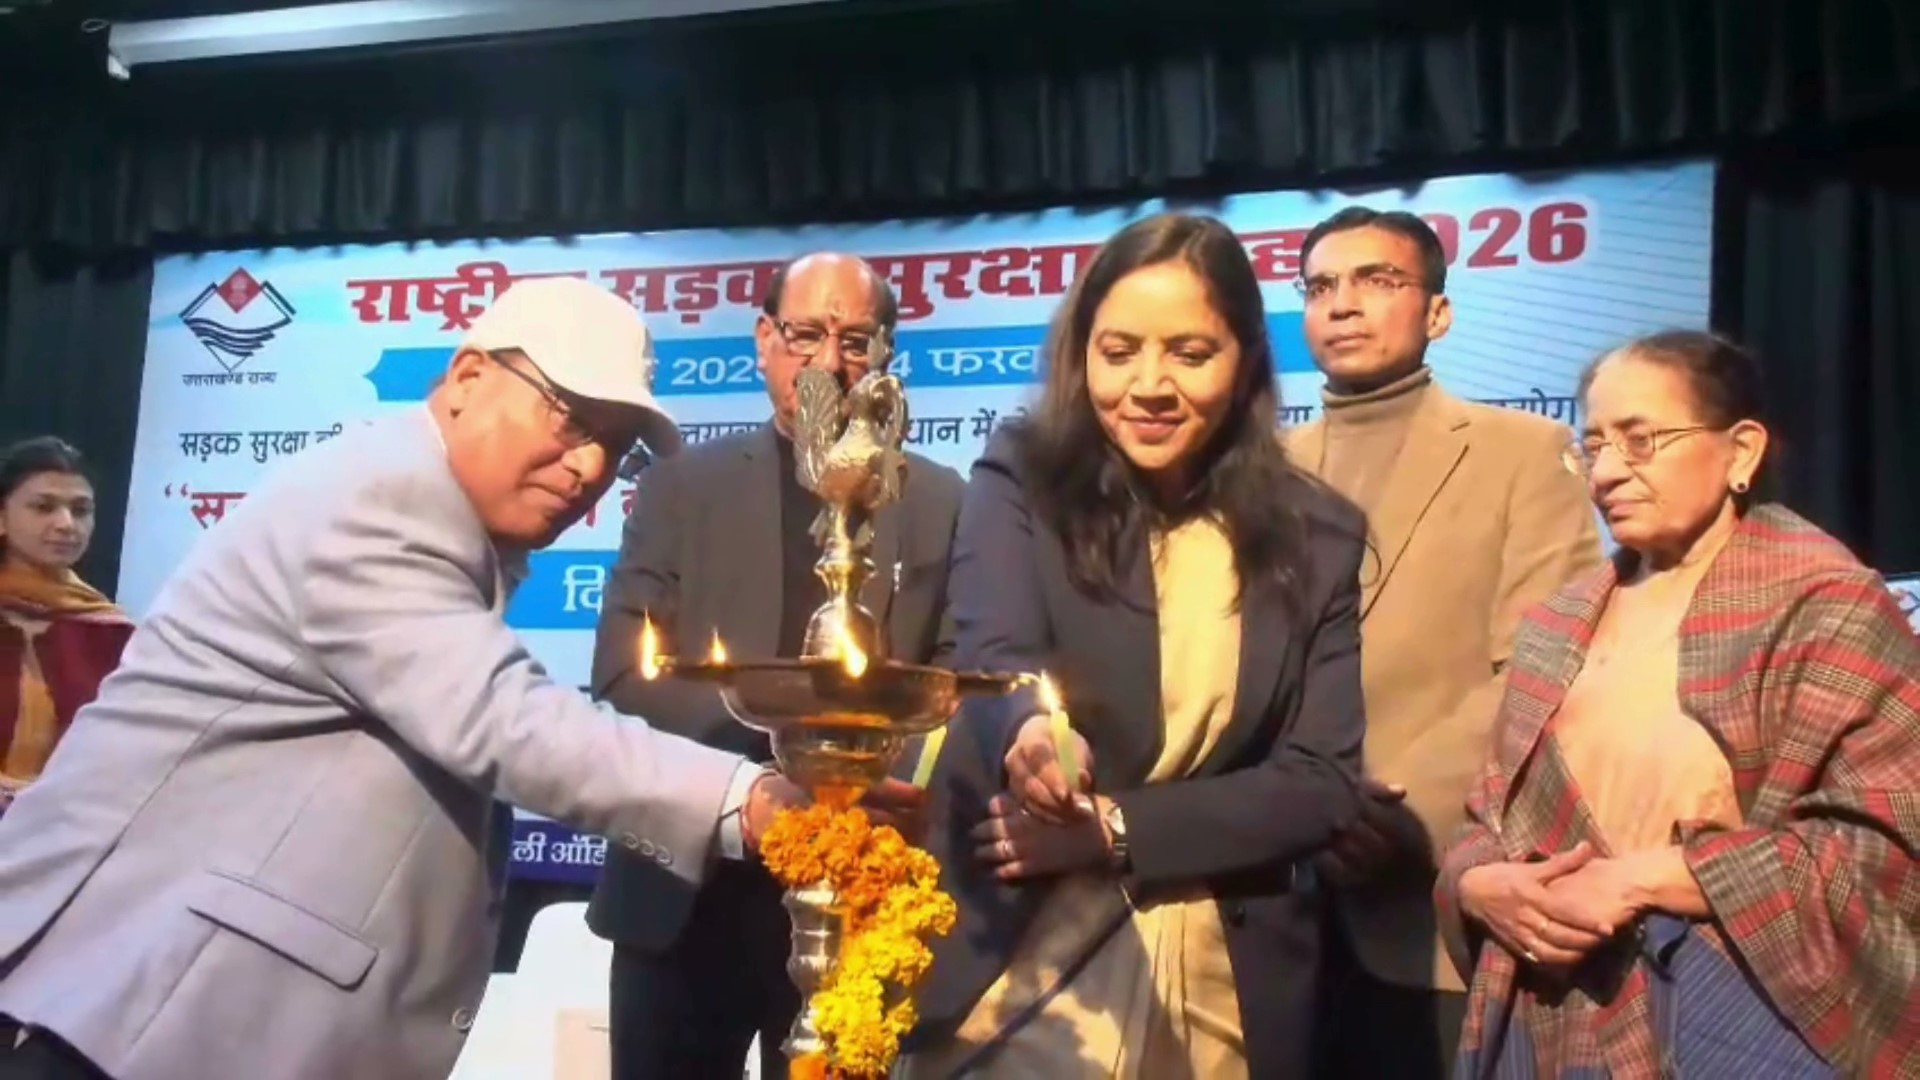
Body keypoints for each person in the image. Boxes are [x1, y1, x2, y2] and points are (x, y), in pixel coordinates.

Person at [0, 278, 809, 1080]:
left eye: (616, 444)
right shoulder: (379, 498)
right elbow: (500, 717)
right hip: (121, 1021)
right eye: (571, 418)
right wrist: (749, 800)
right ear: (468, 378)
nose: (591, 465)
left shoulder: (442, 523)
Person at [902, 213, 1367, 1078]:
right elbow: (997, 652)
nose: (1149, 386)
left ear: (1246, 360)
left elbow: (1321, 784)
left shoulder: (1321, 534)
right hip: (1024, 955)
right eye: (1118, 352)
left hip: (1227, 974)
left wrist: (1116, 830)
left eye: (1190, 354)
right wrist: (1032, 738)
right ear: (1082, 353)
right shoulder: (1023, 476)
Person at [1436, 331, 1920, 1077]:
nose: (1607, 472)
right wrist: (1479, 885)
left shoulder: (1828, 607)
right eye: (1593, 446)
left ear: (1742, 451)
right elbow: (1485, 818)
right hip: (1556, 1015)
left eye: (1642, 441)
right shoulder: (1557, 625)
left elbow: (1880, 848)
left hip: (1738, 1012)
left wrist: (1640, 881)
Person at [587, 252, 961, 1079]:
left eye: (855, 341)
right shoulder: (682, 490)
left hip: (864, 897)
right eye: (805, 335)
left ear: (886, 355)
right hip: (687, 901)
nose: (829, 362)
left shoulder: (939, 501)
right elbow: (623, 677)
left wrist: (864, 779)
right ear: (763, 340)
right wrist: (776, 780)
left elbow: (956, 680)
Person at [1286, 206, 1603, 1077]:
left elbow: (1542, 664)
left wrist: (1389, 813)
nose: (1343, 304)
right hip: (1270, 904)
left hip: (1429, 905)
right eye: (1320, 287)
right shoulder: (1258, 472)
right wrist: (1291, 807)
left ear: (1438, 312)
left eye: (1376, 280)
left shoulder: (1523, 451)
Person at [0, 437, 135, 814]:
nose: (66, 524)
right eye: (43, 507)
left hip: (65, 829)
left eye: (81, 510)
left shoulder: (113, 634)